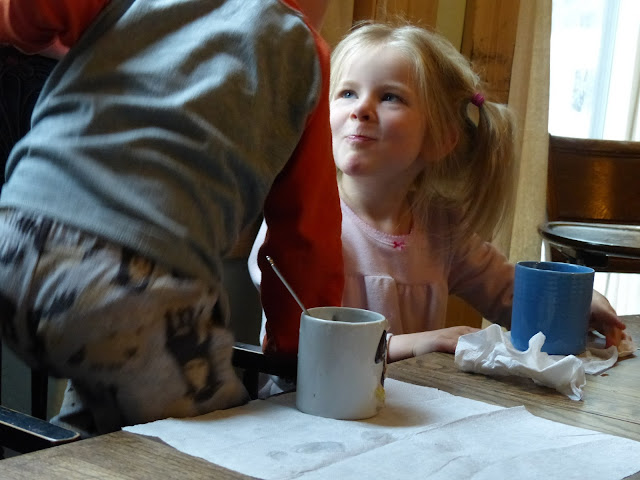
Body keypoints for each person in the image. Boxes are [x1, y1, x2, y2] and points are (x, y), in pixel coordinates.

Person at [0, 0, 343, 435]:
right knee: (225, 446)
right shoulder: (303, 53)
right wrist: (295, 352)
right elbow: (306, 241)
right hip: (126, 289)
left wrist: (15, 23)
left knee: (106, 429)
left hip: (13, 236)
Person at [250, 20, 627, 366]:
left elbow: (508, 295)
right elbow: (312, 345)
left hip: (406, 409)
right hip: (301, 408)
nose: (361, 108)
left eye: (390, 97)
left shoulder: (441, 228)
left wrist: (577, 306)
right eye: (347, 92)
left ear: (440, 140)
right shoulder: (300, 220)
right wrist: (418, 343)